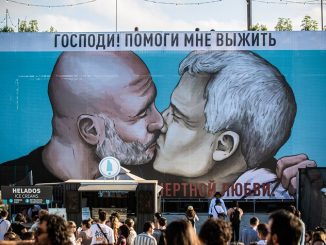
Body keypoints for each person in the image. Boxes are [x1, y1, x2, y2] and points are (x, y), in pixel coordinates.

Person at [152, 50, 316, 198]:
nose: (160, 122)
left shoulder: (284, 194)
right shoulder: (141, 169)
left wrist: (314, 200)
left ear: (224, 146)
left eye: (178, 116)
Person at [0, 51, 163, 185]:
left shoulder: (145, 173)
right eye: (141, 113)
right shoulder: (10, 180)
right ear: (90, 130)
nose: (160, 122)